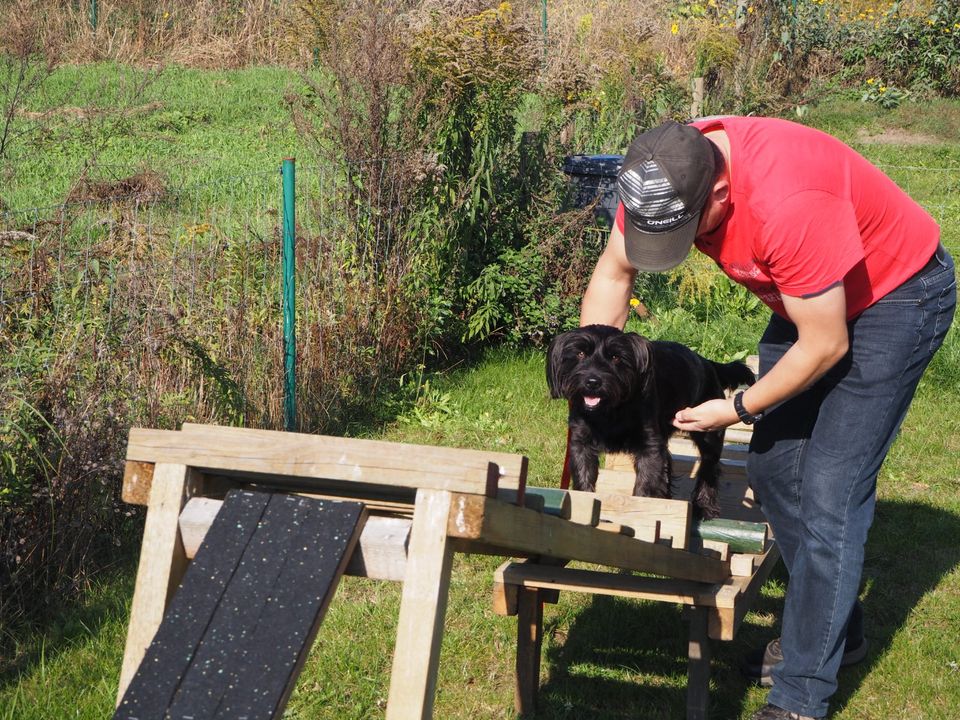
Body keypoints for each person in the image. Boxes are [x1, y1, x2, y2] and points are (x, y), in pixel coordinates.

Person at [579, 117, 956, 720]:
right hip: (807, 292)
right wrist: (591, 384)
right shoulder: (659, 178)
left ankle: (802, 695)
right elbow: (613, 273)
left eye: (686, 232)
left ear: (721, 195)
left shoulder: (787, 202)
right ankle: (838, 628)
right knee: (776, 471)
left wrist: (735, 407)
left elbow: (825, 344)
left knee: (831, 488)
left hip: (896, 296)